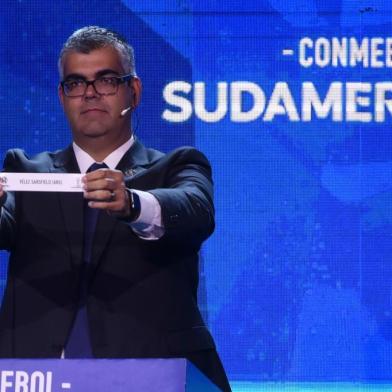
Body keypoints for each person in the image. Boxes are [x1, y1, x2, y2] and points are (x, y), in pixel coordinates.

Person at [0, 26, 231, 391]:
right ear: (62, 96)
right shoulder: (24, 170)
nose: (90, 93)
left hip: (154, 375)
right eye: (75, 83)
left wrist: (133, 203)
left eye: (106, 80)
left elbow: (195, 209)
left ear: (133, 91)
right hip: (36, 376)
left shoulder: (177, 165)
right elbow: (4, 223)